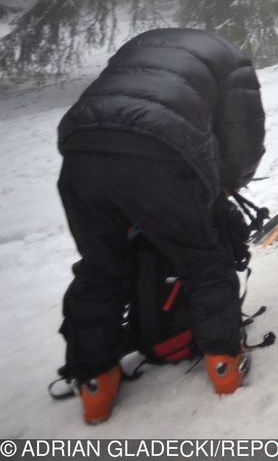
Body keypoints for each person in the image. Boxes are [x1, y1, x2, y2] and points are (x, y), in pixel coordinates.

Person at [56, 29, 266, 423]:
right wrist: (227, 185)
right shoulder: (232, 59)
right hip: (159, 150)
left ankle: (95, 382)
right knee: (202, 258)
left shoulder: (139, 45)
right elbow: (242, 139)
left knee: (100, 266)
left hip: (80, 148)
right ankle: (223, 363)